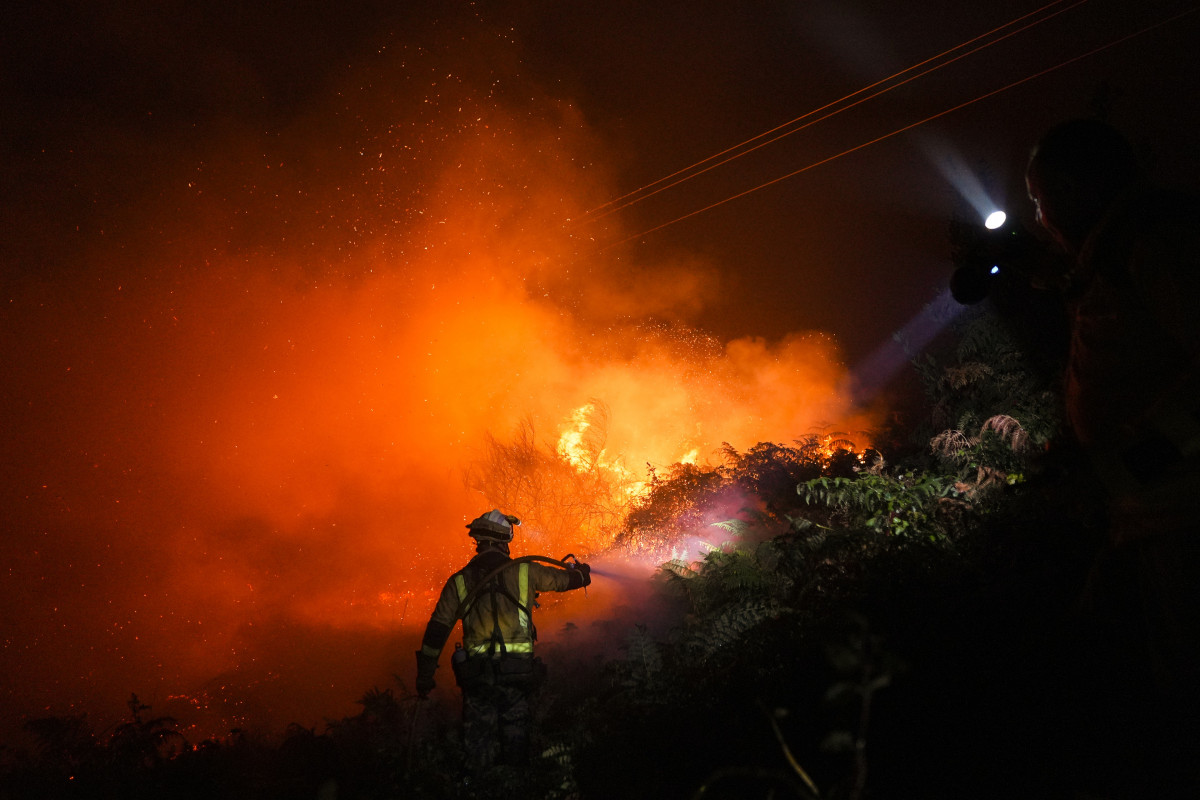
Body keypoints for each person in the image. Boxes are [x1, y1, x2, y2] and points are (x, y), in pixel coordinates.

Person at [1025, 118, 1200, 793]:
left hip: (1183, 516)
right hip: (1148, 519)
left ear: (1075, 188)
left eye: (1041, 199)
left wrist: (1136, 460)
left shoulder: (1155, 244)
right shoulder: (1116, 252)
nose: (1040, 219)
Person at [414, 509, 591, 776]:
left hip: (477, 678)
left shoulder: (458, 581)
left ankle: (479, 786)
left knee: (478, 747)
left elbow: (436, 632)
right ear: (504, 540)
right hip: (517, 673)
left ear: (479, 541)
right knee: (516, 741)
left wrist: (425, 676)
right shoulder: (524, 571)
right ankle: (515, 784)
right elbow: (564, 581)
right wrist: (582, 574)